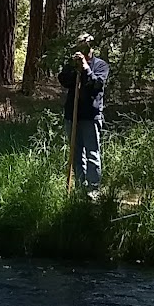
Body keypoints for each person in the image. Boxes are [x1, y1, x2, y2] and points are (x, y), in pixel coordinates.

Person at [58, 36, 110, 191]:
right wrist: (73, 67)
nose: (83, 51)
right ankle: (81, 187)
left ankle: (93, 189)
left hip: (90, 116)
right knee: (76, 153)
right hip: (72, 115)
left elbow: (96, 85)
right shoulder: (73, 65)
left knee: (92, 153)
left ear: (92, 48)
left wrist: (86, 68)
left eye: (86, 47)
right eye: (80, 47)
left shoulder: (101, 65)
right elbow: (63, 80)